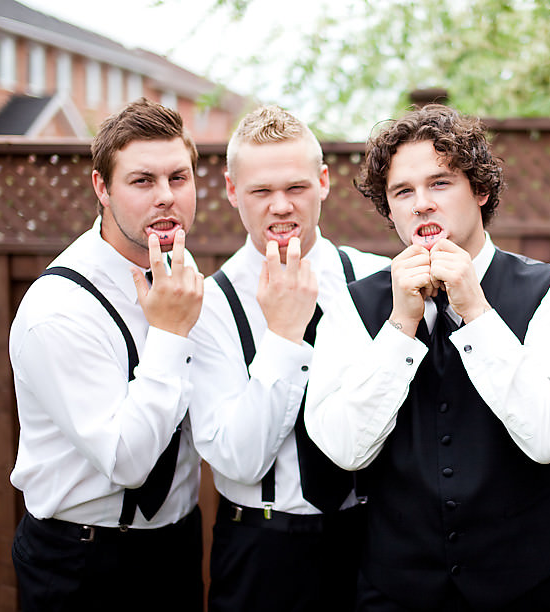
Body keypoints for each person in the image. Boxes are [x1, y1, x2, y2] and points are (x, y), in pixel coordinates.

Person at [304, 104, 550, 612]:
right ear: (389, 210)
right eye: (402, 192)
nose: (421, 205)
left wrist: (476, 311)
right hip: (395, 592)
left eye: (440, 184)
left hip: (528, 590)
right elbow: (345, 449)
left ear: (480, 189)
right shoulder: (351, 304)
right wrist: (400, 327)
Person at [188, 105, 389, 612]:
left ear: (323, 182)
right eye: (261, 192)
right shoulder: (210, 304)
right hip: (264, 551)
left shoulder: (375, 279)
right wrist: (282, 336)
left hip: (376, 540)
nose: (281, 206)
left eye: (296, 188)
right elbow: (237, 459)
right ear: (234, 192)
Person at [9, 98, 205, 612]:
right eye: (142, 181)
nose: (166, 197)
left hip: (178, 547)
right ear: (102, 187)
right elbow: (128, 460)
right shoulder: (59, 309)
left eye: (178, 178)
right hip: (82, 562)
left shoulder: (184, 277)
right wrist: (169, 333)